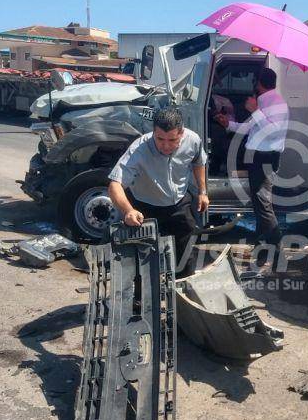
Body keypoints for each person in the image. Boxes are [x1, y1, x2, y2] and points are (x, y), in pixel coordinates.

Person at [107, 107, 209, 277]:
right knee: (144, 264)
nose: (165, 145)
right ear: (153, 132)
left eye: (172, 140)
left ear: (182, 133)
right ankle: (145, 291)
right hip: (145, 209)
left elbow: (199, 162)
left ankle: (182, 287)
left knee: (185, 257)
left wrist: (202, 192)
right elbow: (115, 185)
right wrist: (128, 211)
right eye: (160, 139)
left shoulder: (193, 140)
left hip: (179, 204)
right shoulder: (139, 149)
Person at [214, 67, 288, 247]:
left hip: (265, 158)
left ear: (258, 83)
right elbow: (248, 128)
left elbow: (273, 132)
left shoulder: (276, 103)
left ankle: (276, 246)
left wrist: (255, 111)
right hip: (257, 158)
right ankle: (261, 241)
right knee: (258, 201)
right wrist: (228, 124)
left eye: (254, 80)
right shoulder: (263, 102)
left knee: (263, 203)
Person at [208, 79, 236, 175]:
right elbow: (212, 112)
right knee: (218, 133)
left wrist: (220, 116)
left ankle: (217, 167)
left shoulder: (211, 95)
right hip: (211, 125)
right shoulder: (209, 95)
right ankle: (215, 168)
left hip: (217, 124)